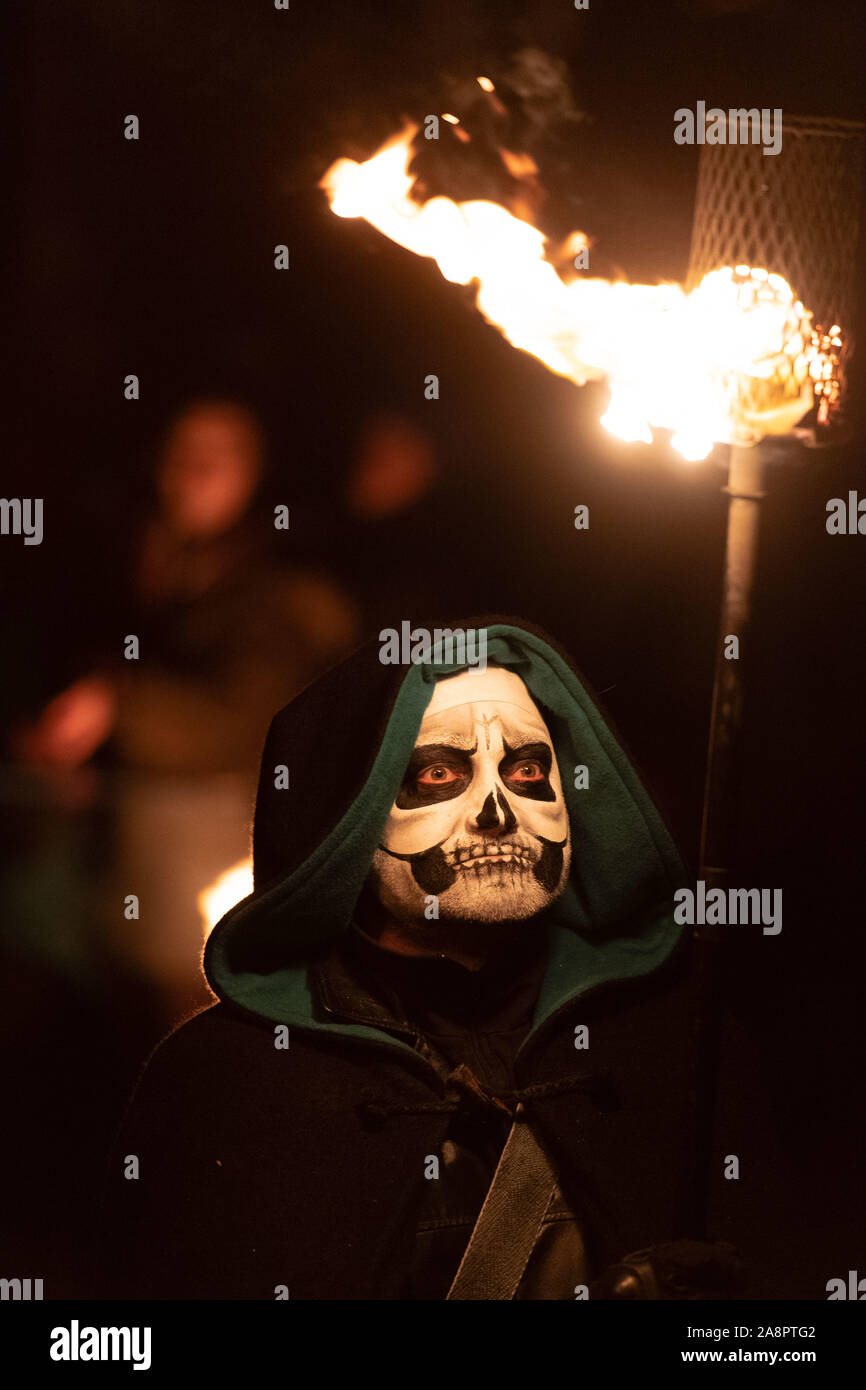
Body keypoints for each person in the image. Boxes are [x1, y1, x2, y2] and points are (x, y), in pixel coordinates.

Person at [98, 619, 738, 1300]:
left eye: (526, 770)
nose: (496, 808)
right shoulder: (231, 1083)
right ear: (352, 819)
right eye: (439, 772)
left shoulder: (669, 1053)